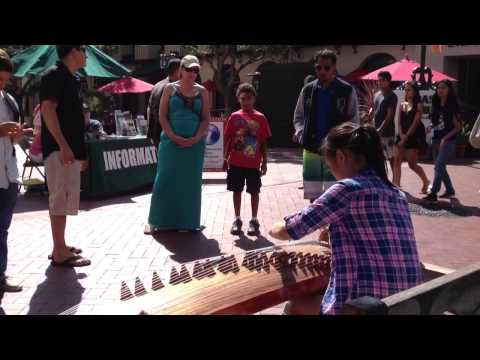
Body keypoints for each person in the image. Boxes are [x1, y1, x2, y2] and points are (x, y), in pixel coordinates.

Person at [269, 122, 423, 315]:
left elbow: (290, 230)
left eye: (329, 165)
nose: (332, 172)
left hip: (366, 307)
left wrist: (273, 228)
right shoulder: (396, 194)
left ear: (341, 156)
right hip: (406, 303)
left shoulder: (347, 189)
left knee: (295, 307)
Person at [145, 55, 210, 233]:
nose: (192, 73)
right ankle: (157, 221)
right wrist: (173, 136)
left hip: (194, 146)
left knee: (190, 183)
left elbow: (205, 119)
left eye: (195, 69)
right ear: (181, 69)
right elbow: (162, 116)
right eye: (188, 69)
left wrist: (196, 138)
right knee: (164, 180)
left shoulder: (203, 91)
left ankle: (187, 222)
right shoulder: (168, 89)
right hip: (170, 143)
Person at [40, 45, 91, 267]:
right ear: (73, 51)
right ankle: (60, 251)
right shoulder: (54, 74)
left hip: (68, 151)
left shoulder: (72, 78)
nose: (86, 54)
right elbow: (47, 110)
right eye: (84, 49)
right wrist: (63, 145)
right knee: (59, 199)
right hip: (59, 151)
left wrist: (79, 151)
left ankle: (59, 245)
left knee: (62, 199)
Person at [293, 49, 359, 201]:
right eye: (318, 67)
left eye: (326, 67)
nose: (322, 71)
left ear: (334, 68)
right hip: (311, 149)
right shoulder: (308, 90)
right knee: (313, 195)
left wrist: (347, 142)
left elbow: (354, 120)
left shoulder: (346, 90)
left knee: (335, 194)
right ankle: (316, 224)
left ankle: (333, 226)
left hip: (337, 150)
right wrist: (301, 132)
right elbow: (298, 116)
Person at [224, 83, 271, 236]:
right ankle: (237, 219)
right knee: (236, 191)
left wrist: (265, 161)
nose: (246, 102)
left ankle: (254, 220)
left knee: (254, 191)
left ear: (254, 99)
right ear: (238, 99)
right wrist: (224, 158)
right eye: (243, 98)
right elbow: (228, 138)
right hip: (236, 162)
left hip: (253, 163)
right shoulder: (234, 117)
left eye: (249, 98)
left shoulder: (261, 118)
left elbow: (264, 141)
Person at [0, 49, 24, 292]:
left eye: (5, 80)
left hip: (8, 175)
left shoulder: (10, 100)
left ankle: (1, 275)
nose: (2, 84)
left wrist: (16, 135)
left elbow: (13, 141)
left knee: (2, 229)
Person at [423, 80, 462, 201]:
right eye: (438, 88)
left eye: (443, 88)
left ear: (449, 90)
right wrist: (430, 127)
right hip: (436, 139)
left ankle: (433, 193)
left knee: (439, 165)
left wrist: (445, 138)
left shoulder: (453, 106)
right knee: (440, 166)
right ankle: (450, 189)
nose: (440, 90)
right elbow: (437, 123)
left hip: (448, 140)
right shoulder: (436, 104)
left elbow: (458, 128)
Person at [394, 81, 430, 192]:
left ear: (414, 92)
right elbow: (399, 122)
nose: (407, 91)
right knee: (396, 160)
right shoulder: (403, 104)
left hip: (413, 136)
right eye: (405, 89)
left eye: (409, 89)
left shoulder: (418, 105)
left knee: (412, 164)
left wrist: (405, 137)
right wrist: (401, 135)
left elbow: (415, 124)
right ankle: (396, 185)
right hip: (402, 134)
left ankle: (426, 181)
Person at [147, 58, 181, 148]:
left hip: (156, 133)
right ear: (178, 71)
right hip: (166, 133)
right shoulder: (170, 88)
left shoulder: (157, 85)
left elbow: (149, 109)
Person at [370, 71, 397, 178]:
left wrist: (381, 129)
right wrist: (371, 111)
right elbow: (374, 107)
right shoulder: (377, 94)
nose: (380, 82)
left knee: (391, 158)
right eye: (379, 80)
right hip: (376, 131)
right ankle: (381, 179)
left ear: (388, 81)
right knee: (377, 157)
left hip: (387, 132)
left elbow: (390, 115)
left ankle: (395, 181)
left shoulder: (392, 96)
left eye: (382, 80)